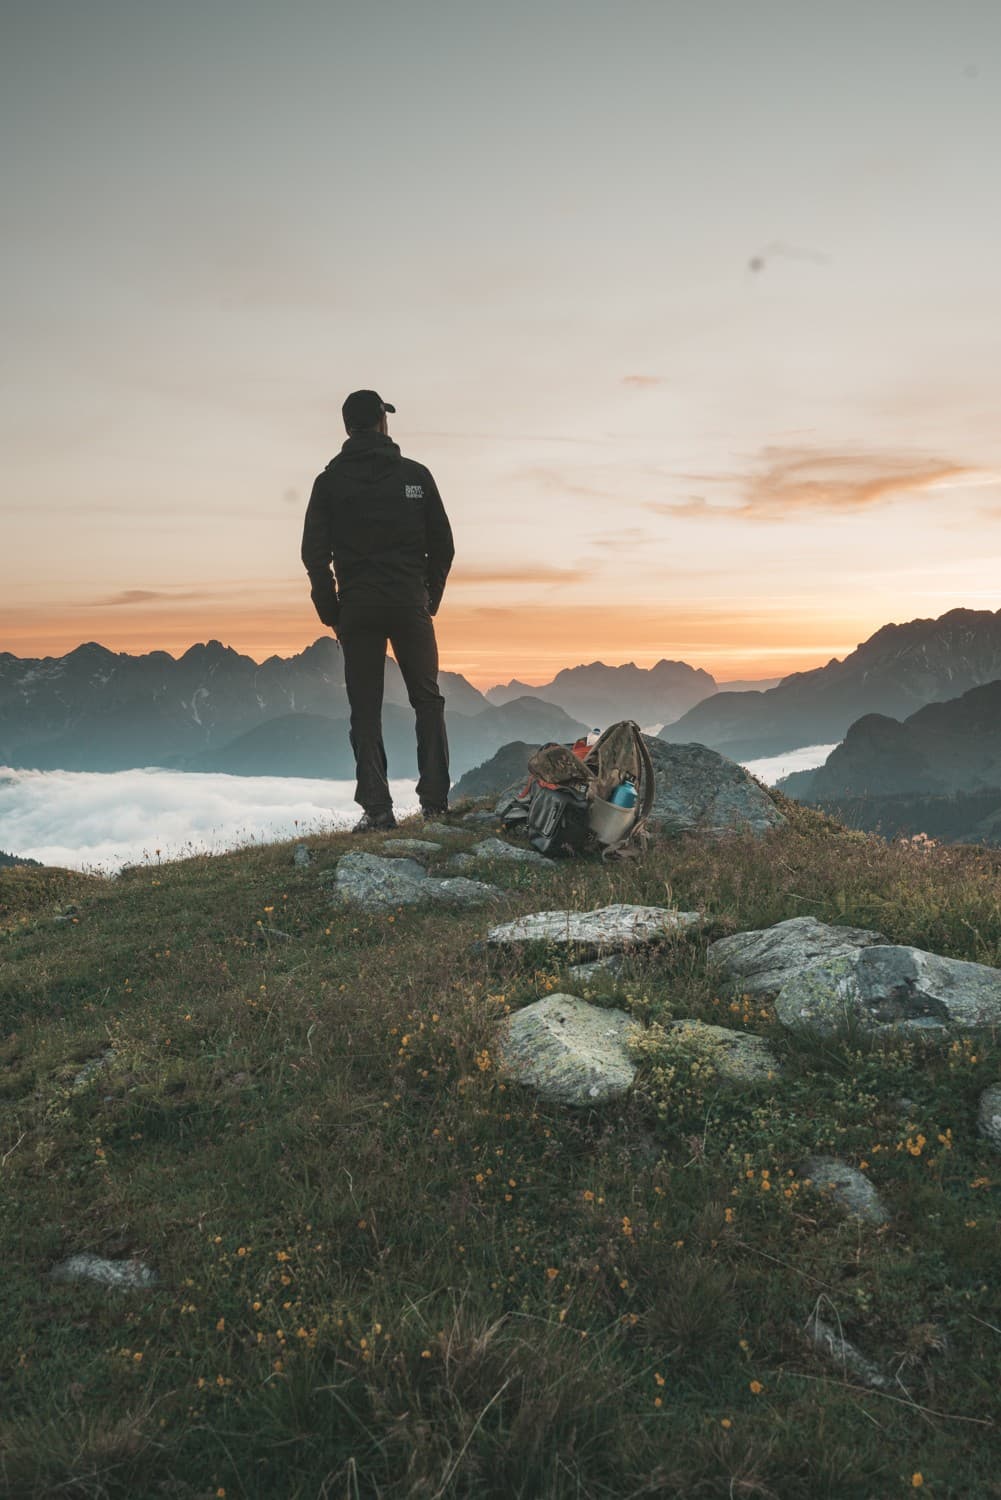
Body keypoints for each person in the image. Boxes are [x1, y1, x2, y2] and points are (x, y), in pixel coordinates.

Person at [301, 389, 455, 832]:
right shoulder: (415, 476)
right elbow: (443, 544)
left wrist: (331, 609)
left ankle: (378, 809)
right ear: (382, 423)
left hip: (358, 607)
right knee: (427, 699)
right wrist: (430, 597)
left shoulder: (328, 483)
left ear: (349, 427)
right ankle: (435, 804)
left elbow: (314, 553)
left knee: (364, 708)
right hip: (409, 603)